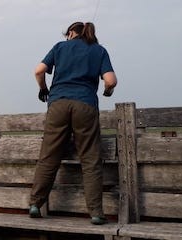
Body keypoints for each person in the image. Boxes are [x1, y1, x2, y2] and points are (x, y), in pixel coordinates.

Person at [29, 21, 117, 225]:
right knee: (90, 160)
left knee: (49, 157)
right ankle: (95, 213)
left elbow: (38, 71)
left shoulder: (60, 47)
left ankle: (35, 204)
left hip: (58, 104)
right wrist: (107, 91)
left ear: (70, 33)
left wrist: (43, 89)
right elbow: (110, 80)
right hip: (85, 105)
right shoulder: (99, 50)